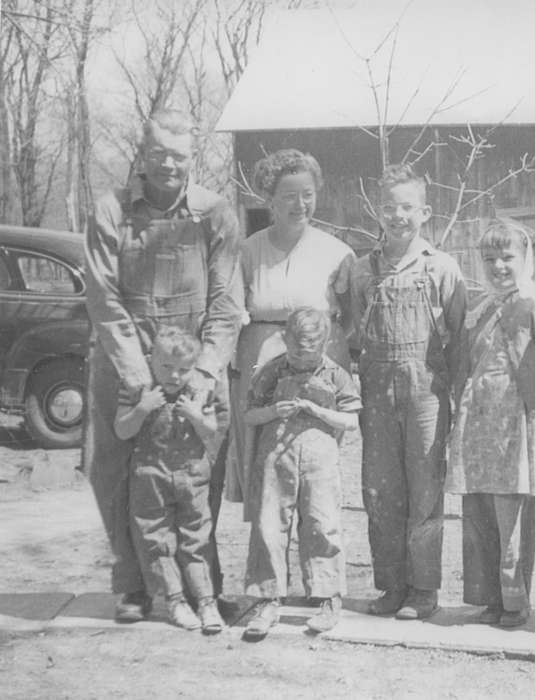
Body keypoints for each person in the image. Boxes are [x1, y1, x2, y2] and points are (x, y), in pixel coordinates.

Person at [85, 108, 242, 622]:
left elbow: (225, 301)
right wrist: (139, 376)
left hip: (193, 361)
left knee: (200, 473)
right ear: (143, 153)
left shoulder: (214, 213)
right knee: (117, 472)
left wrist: (202, 373)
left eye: (179, 155)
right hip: (125, 360)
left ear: (192, 156)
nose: (168, 165)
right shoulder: (111, 211)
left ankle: (203, 587)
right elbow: (104, 301)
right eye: (159, 154)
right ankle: (133, 586)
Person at [350, 163, 467, 620]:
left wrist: (456, 401)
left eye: (407, 207)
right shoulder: (364, 270)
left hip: (427, 393)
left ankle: (423, 589)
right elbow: (357, 335)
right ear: (377, 212)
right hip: (377, 393)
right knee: (381, 490)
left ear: (425, 212)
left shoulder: (441, 267)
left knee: (424, 492)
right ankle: (391, 584)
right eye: (388, 207)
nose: (397, 216)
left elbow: (458, 339)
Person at [225, 149, 355, 523]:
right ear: (269, 199)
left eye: (308, 194)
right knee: (265, 467)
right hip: (260, 365)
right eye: (289, 196)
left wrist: (318, 349)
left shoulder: (338, 253)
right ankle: (269, 565)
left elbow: (350, 320)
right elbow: (232, 310)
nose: (301, 204)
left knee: (315, 465)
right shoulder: (248, 252)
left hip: (319, 367)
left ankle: (317, 557)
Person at [445, 218, 535, 628]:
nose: (498, 267)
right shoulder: (480, 307)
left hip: (517, 422)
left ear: (524, 258)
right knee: (479, 511)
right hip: (479, 425)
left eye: (507, 257)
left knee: (512, 515)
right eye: (489, 258)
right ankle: (487, 596)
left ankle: (515, 600)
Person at [242, 308, 361, 639]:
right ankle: (267, 599)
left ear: (324, 343)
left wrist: (319, 410)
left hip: (319, 458)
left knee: (322, 523)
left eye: (309, 352)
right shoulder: (271, 371)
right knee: (269, 524)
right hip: (276, 454)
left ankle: (326, 598)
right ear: (285, 340)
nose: (300, 358)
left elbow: (351, 419)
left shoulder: (336, 373)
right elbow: (249, 415)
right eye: (295, 350)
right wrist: (271, 411)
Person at [115, 326, 226, 633]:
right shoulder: (137, 387)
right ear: (151, 360)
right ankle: (175, 600)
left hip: (192, 475)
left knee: (196, 538)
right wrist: (141, 409)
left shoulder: (201, 390)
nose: (175, 376)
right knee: (156, 539)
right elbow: (122, 430)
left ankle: (206, 601)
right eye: (166, 367)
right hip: (150, 474)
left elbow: (212, 432)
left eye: (183, 370)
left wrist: (196, 416)